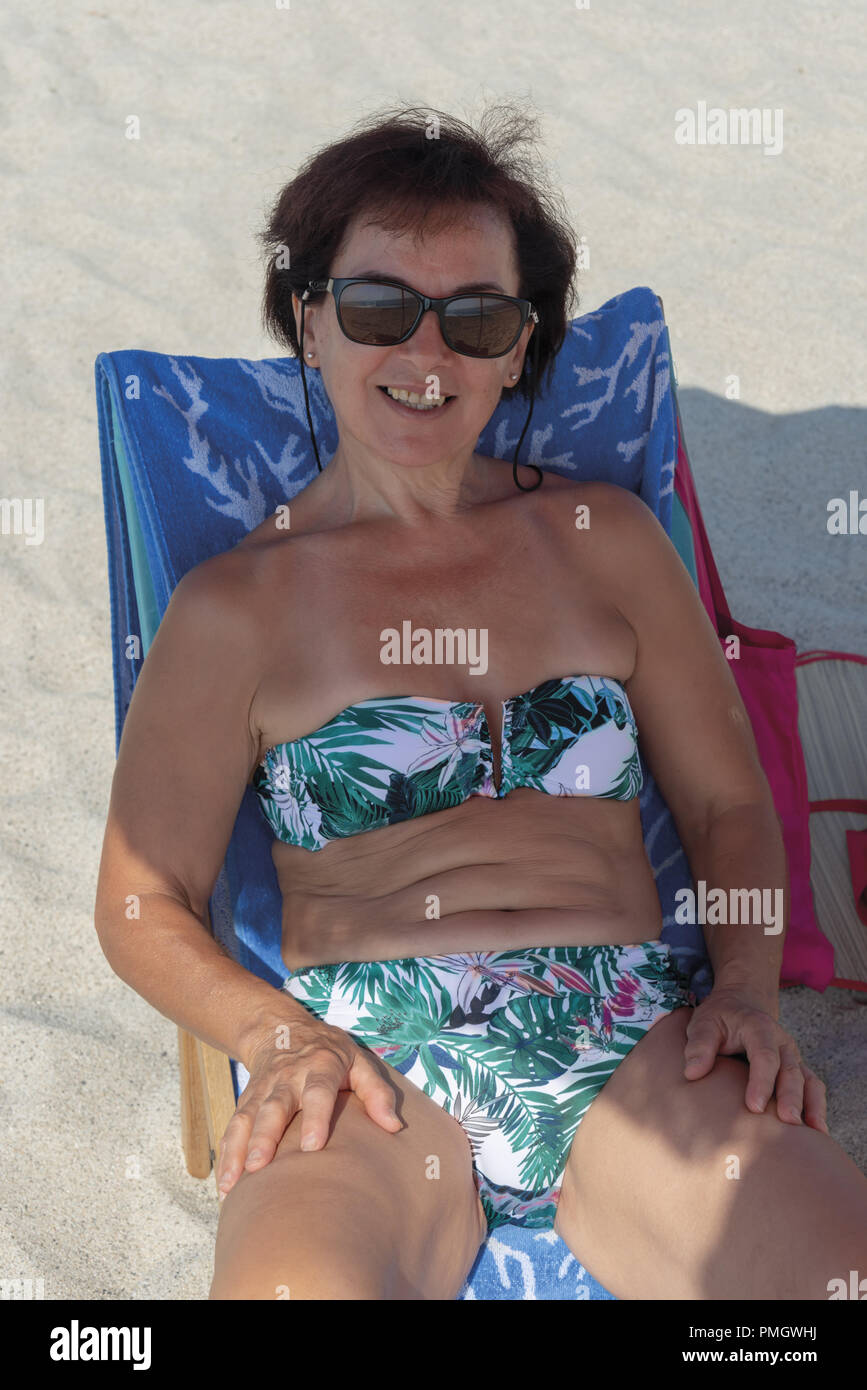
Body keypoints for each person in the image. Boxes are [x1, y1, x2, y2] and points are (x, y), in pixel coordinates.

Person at [94, 103, 867, 1300]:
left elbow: (728, 805)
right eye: (376, 308)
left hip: (634, 1046)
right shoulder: (235, 608)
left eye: (477, 320)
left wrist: (751, 995)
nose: (426, 354)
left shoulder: (603, 541)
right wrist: (274, 1038)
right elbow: (142, 900)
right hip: (367, 1070)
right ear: (309, 324)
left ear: (520, 349)